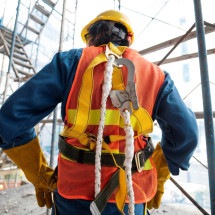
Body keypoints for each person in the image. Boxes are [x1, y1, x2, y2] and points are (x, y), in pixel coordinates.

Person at [0, 10, 198, 215]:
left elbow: (11, 118)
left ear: (90, 39)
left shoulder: (69, 64)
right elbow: (187, 132)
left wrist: (39, 174)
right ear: (128, 39)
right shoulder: (155, 75)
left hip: (73, 192)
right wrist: (161, 170)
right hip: (133, 193)